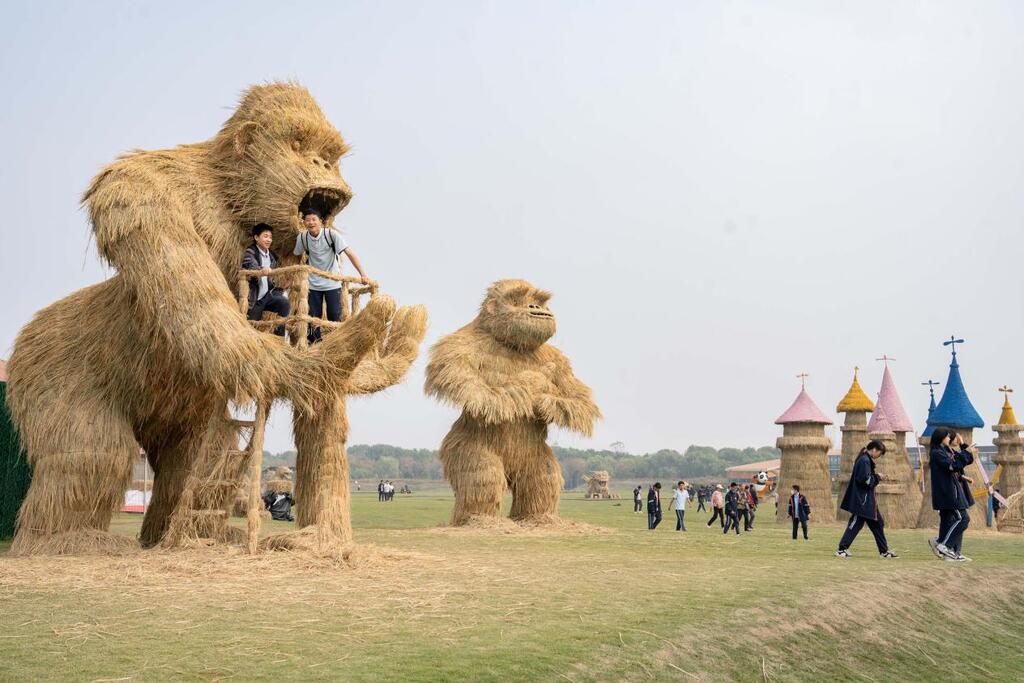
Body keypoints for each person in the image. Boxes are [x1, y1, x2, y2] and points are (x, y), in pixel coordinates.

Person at [293, 208, 369, 344]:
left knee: (335, 315)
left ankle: (336, 344)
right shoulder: (303, 237)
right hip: (313, 283)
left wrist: (363, 275)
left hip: (332, 283)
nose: (311, 223)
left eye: (314, 219)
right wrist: (292, 277)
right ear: (303, 222)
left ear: (320, 222)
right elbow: (297, 257)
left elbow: (350, 253)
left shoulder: (331, 235)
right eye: (308, 220)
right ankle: (315, 345)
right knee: (312, 317)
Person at [836, 440, 898, 558]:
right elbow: (866, 481)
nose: (878, 457)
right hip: (863, 502)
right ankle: (841, 549)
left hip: (867, 502)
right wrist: (878, 477)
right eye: (879, 453)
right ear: (874, 449)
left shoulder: (865, 460)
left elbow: (866, 478)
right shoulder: (864, 461)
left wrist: (876, 476)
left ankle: (884, 551)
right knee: (855, 524)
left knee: (878, 524)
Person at [927, 428, 976, 561]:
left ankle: (952, 551)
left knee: (950, 522)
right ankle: (944, 545)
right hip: (948, 494)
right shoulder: (937, 453)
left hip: (952, 492)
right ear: (941, 438)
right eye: (948, 437)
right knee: (963, 519)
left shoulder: (946, 451)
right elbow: (954, 465)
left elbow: (965, 461)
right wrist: (965, 451)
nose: (950, 439)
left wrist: (963, 446)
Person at [241, 224, 290, 336]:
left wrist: (282, 285)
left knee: (284, 304)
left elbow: (273, 277)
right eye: (265, 236)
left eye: (270, 237)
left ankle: (279, 337)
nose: (269, 240)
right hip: (255, 297)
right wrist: (260, 269)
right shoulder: (251, 251)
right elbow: (249, 264)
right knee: (251, 325)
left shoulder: (272, 256)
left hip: (267, 295)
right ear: (256, 238)